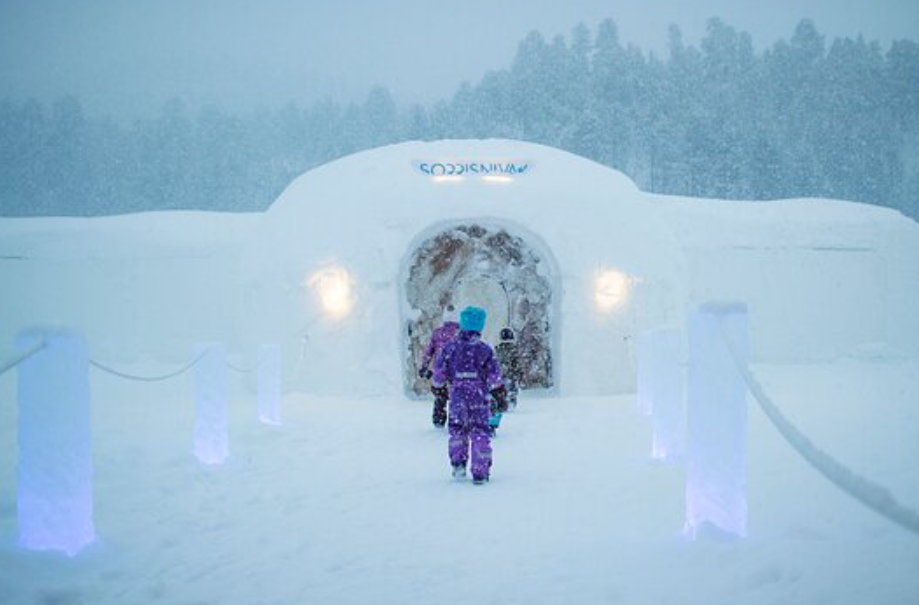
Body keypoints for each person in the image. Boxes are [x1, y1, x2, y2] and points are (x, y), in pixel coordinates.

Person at [432, 305, 507, 484]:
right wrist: (498, 391)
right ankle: (480, 470)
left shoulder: (449, 349)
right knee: (480, 431)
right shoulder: (485, 350)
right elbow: (494, 375)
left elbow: (439, 371)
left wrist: (439, 386)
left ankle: (458, 464)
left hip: (457, 395)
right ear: (480, 327)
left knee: (457, 429)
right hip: (479, 397)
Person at [418, 305, 460, 428]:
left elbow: (429, 352)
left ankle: (438, 419)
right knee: (456, 395)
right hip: (457, 369)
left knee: (440, 396)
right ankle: (455, 420)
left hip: (440, 369)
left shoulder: (437, 333)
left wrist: (424, 366)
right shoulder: (462, 333)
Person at [495, 327, 522, 411]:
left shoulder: (497, 349)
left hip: (500, 376)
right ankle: (510, 403)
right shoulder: (514, 350)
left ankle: (502, 404)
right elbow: (517, 364)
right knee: (512, 390)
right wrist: (519, 373)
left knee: (500, 391)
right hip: (511, 375)